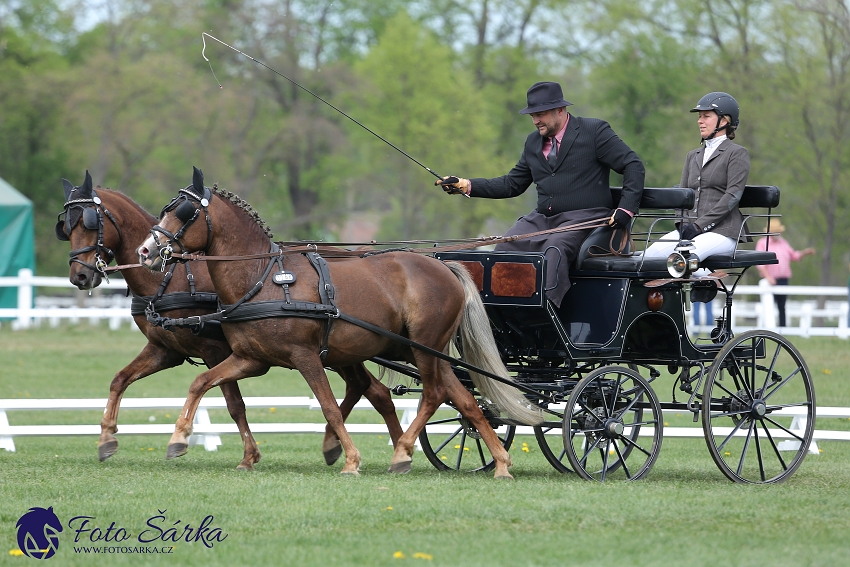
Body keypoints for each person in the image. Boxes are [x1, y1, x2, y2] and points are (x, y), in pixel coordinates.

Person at [438, 81, 645, 307]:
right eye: (532, 115)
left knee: (553, 250)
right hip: (542, 220)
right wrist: (467, 185)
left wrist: (626, 209)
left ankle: (547, 313)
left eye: (541, 114)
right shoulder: (533, 142)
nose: (536, 120)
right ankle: (503, 312)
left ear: (560, 110)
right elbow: (512, 184)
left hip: (586, 219)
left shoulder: (594, 131)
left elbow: (633, 165)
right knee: (505, 247)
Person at [643, 92, 750, 267]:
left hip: (723, 231)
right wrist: (682, 223)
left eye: (706, 116)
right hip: (691, 230)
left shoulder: (737, 153)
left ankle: (709, 283)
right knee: (648, 258)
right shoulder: (692, 156)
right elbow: (682, 195)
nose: (700, 121)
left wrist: (699, 226)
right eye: (699, 117)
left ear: (724, 121)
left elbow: (733, 196)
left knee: (682, 257)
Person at [755, 219, 815, 327]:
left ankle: (783, 328)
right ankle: (768, 328)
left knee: (782, 306)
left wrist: (804, 253)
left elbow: (794, 256)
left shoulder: (783, 243)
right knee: (768, 306)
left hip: (783, 279)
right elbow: (759, 263)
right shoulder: (763, 243)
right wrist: (768, 277)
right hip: (770, 280)